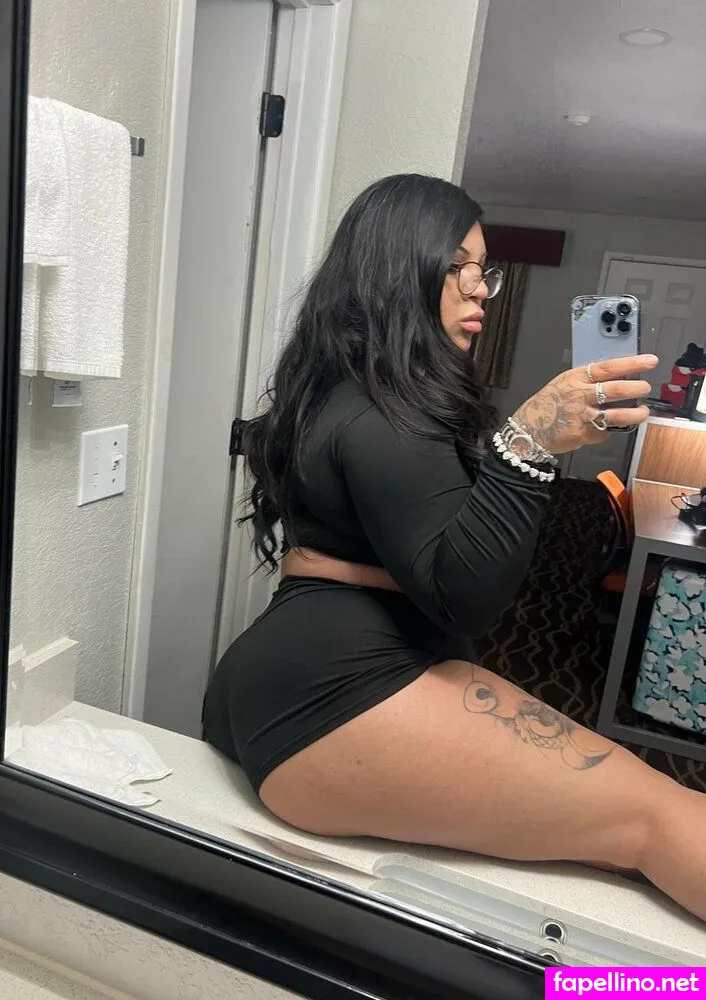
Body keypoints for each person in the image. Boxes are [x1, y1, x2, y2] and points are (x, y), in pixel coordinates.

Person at [202, 173, 706, 922]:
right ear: (398, 269)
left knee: (605, 855)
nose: (480, 290)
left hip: (293, 672)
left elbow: (403, 543)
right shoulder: (386, 414)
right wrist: (526, 444)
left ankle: (627, 978)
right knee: (663, 817)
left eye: (484, 271)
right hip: (338, 695)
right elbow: (465, 595)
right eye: (458, 267)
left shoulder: (347, 389)